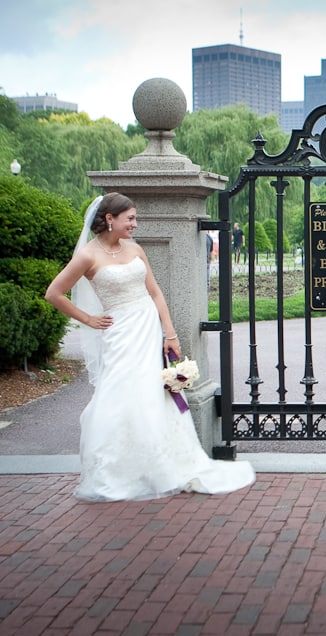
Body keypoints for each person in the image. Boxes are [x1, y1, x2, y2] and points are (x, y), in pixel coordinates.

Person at [44, 193, 255, 502]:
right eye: (129, 218)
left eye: (135, 218)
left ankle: (162, 463)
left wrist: (169, 333)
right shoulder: (88, 256)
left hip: (148, 328)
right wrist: (88, 319)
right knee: (119, 392)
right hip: (119, 333)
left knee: (155, 393)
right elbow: (54, 292)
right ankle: (118, 469)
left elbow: (155, 293)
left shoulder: (136, 249)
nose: (135, 223)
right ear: (110, 219)